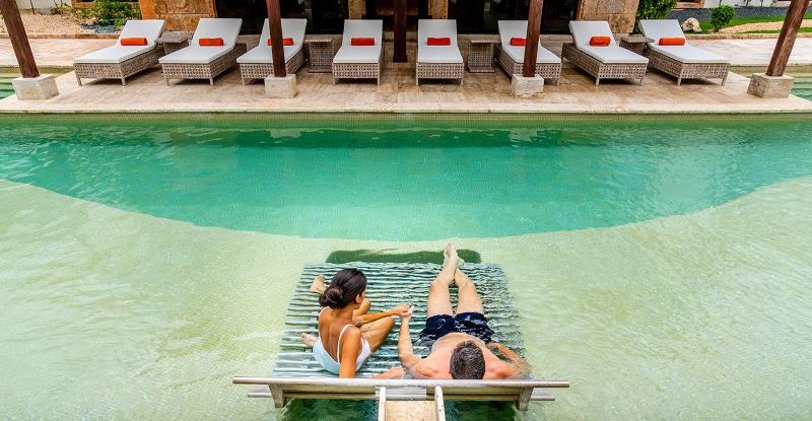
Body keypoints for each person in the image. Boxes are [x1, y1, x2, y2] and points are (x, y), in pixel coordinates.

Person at [396, 244, 530, 379]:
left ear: (450, 366)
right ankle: (453, 264)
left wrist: (405, 321)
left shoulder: (430, 370)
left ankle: (451, 262)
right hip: (476, 333)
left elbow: (405, 355)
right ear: (484, 363)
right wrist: (501, 348)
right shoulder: (500, 370)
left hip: (438, 334)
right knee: (468, 286)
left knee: (437, 285)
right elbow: (524, 367)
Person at [300, 268, 409, 378]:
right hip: (338, 367)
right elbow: (346, 383)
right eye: (364, 292)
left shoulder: (325, 310)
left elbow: (358, 319)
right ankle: (320, 290)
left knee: (365, 303)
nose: (364, 295)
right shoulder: (352, 334)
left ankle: (315, 341)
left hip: (321, 352)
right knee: (388, 321)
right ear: (357, 297)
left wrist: (393, 311)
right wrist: (388, 375)